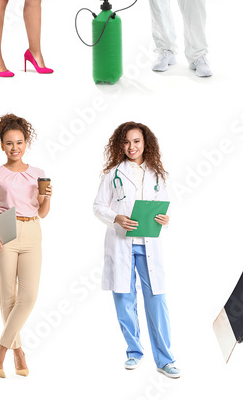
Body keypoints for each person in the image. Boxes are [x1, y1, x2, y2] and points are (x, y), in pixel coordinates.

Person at [93, 122, 180, 378]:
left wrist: (165, 219)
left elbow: (162, 206)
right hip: (121, 242)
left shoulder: (156, 174)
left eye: (137, 141)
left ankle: (165, 359)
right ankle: (134, 351)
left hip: (148, 243)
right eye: (127, 142)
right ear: (120, 145)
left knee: (157, 301)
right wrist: (116, 217)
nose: (132, 147)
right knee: (124, 299)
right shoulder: (112, 173)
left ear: (146, 143)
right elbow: (98, 206)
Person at [0, 114, 51, 378]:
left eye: (19, 142)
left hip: (32, 231)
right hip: (4, 232)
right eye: (9, 143)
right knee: (8, 296)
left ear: (26, 142)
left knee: (28, 297)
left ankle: (1, 348)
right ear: (1, 144)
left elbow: (42, 212)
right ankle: (18, 352)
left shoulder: (39, 174)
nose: (15, 147)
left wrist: (46, 197)